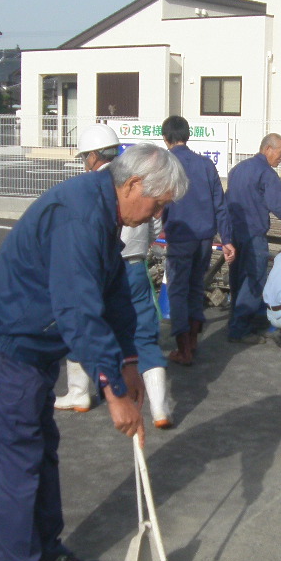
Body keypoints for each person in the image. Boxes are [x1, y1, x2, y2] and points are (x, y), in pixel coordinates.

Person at [0, 143, 188, 561]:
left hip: (34, 351)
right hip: (7, 349)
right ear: (133, 185)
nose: (158, 215)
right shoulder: (80, 216)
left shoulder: (107, 211)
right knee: (14, 466)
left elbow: (114, 294)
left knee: (41, 455)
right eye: (158, 204)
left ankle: (47, 554)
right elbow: (78, 310)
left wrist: (129, 362)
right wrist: (112, 390)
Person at [55, 124, 175, 427]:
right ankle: (159, 408)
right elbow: (155, 226)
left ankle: (79, 392)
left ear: (93, 156)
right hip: (135, 266)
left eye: (85, 157)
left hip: (98, 270)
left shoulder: (89, 188)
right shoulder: (135, 182)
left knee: (84, 322)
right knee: (144, 334)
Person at [224, 133, 281, 345]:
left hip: (234, 233)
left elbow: (227, 200)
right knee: (253, 281)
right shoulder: (266, 174)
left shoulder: (238, 169)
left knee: (237, 279)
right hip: (254, 236)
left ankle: (235, 323)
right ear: (268, 149)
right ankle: (240, 330)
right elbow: (279, 206)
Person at [161, 115, 236, 365]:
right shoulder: (205, 164)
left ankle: (183, 348)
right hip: (204, 238)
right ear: (188, 136)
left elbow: (158, 202)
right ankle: (192, 341)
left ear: (166, 138)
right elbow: (220, 205)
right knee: (195, 287)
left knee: (177, 290)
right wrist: (226, 239)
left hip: (180, 237)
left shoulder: (165, 164)